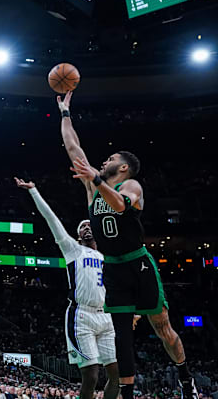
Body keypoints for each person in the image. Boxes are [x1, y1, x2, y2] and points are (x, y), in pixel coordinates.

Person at [57, 91, 197, 399]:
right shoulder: (92, 185)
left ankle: (186, 378)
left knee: (163, 329)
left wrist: (95, 179)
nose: (105, 160)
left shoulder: (130, 185)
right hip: (114, 267)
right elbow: (72, 147)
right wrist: (65, 113)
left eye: (111, 159)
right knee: (122, 333)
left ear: (123, 168)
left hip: (139, 262)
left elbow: (121, 206)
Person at [15, 178, 119, 399]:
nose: (87, 228)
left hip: (107, 316)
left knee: (116, 375)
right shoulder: (73, 250)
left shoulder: (107, 256)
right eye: (82, 227)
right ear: (78, 235)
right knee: (91, 375)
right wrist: (34, 191)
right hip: (81, 315)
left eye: (90, 225)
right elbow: (51, 218)